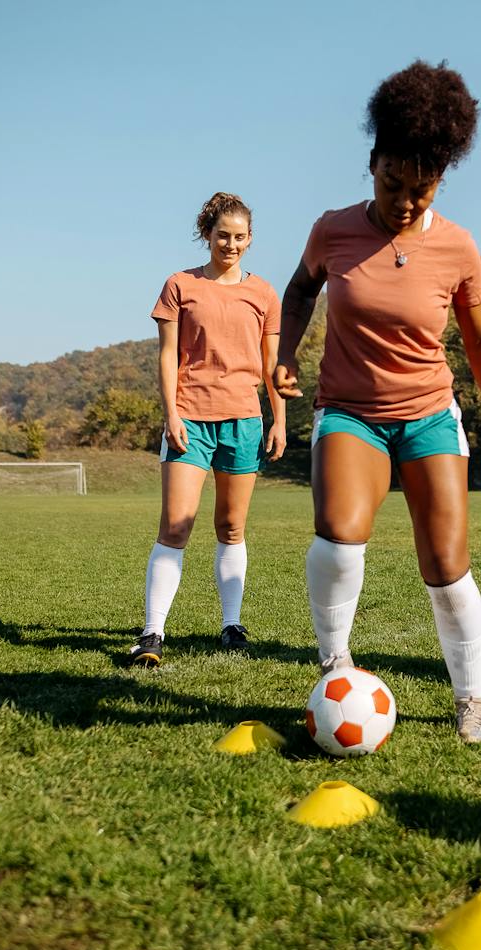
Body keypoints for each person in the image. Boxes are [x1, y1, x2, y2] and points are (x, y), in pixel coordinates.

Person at [273, 60, 481, 743]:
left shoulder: (456, 246)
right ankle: (335, 665)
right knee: (340, 531)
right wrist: (283, 355)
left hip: (428, 415)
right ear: (372, 164)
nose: (406, 202)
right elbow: (300, 291)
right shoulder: (333, 230)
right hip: (350, 412)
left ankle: (470, 699)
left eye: (422, 190)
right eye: (394, 184)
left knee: (446, 565)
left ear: (441, 180)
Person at [128, 193, 286, 666]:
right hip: (190, 419)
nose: (230, 244)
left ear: (250, 240)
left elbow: (271, 362)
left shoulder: (264, 294)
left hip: (244, 421)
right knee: (176, 527)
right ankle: (152, 633)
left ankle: (231, 625)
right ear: (208, 234)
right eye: (223, 235)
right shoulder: (180, 285)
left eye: (240, 237)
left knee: (231, 527)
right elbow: (167, 356)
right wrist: (171, 414)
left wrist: (280, 418)